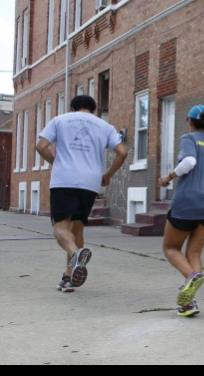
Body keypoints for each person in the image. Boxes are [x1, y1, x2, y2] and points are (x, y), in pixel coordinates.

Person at [36, 95, 128, 293]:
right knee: (77, 229)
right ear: (94, 109)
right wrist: (108, 174)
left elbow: (41, 146)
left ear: (73, 107)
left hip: (64, 179)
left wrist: (55, 162)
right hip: (90, 182)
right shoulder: (105, 126)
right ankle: (69, 276)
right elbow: (122, 152)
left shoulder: (60, 120)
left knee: (60, 228)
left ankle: (76, 253)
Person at [158, 105, 204, 317]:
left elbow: (189, 162)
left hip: (188, 204)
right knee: (194, 252)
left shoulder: (189, 139)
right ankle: (188, 303)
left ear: (190, 122)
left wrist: (168, 177)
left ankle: (191, 277)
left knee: (171, 248)